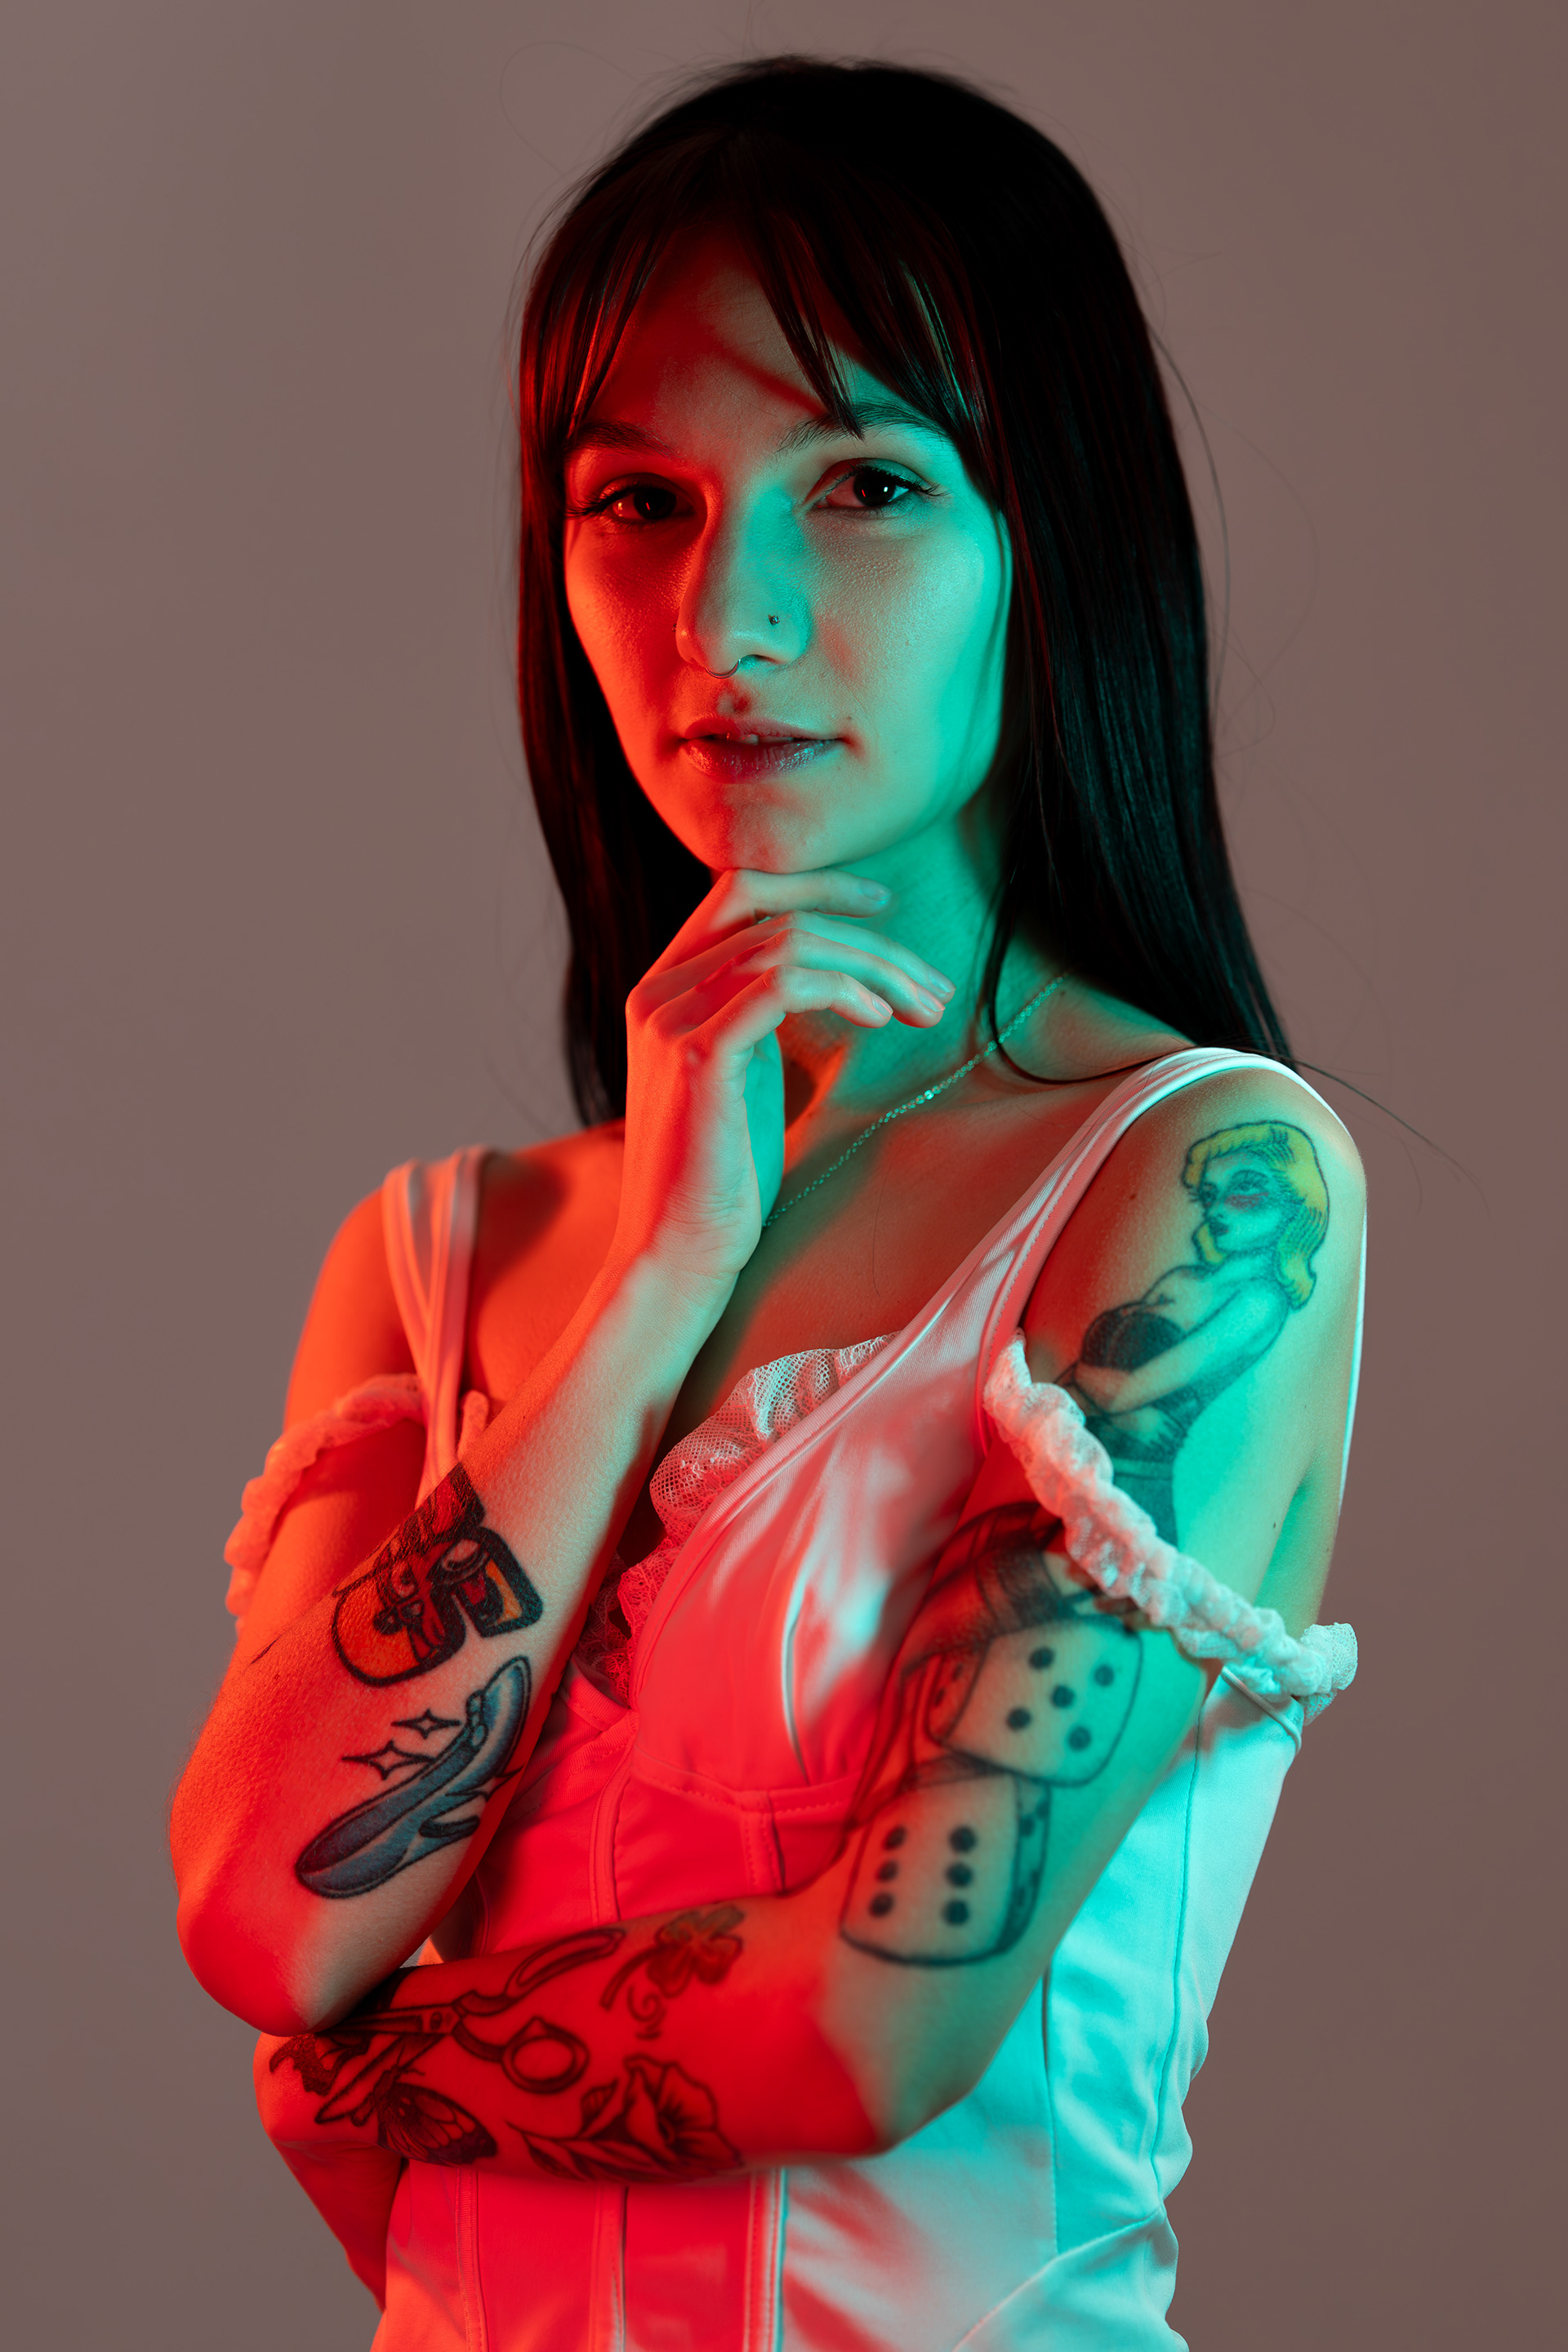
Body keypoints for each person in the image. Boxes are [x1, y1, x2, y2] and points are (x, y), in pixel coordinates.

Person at [172, 56, 1365, 2350]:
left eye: (867, 484)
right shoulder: (441, 1254)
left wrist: (380, 2064)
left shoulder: (1206, 1182)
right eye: (640, 500)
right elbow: (258, 1918)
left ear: (1052, 539)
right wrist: (657, 1279)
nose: (732, 615)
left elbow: (873, 2021)